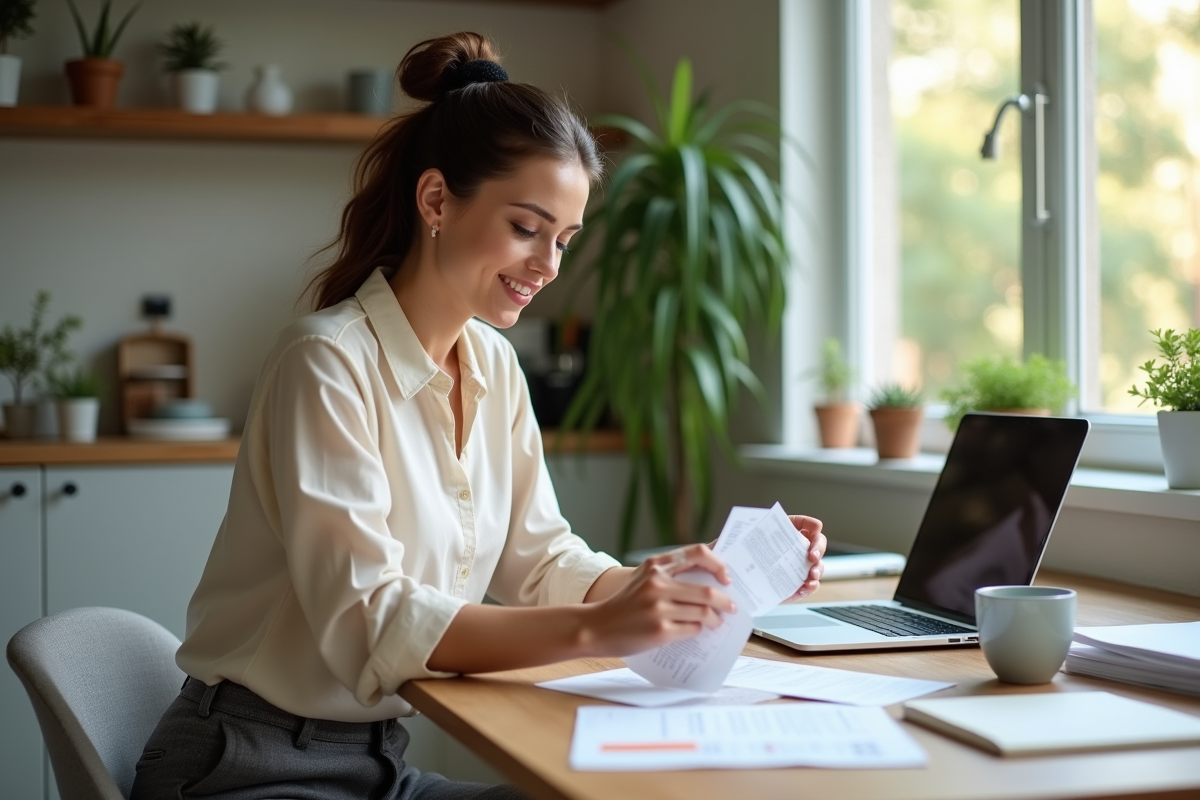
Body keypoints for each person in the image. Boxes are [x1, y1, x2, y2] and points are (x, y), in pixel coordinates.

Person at [130, 31, 827, 800]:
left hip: (377, 765)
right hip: (247, 766)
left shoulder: (493, 363)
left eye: (564, 240)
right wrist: (601, 628)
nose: (548, 265)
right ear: (436, 200)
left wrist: (691, 583)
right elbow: (370, 618)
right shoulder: (324, 362)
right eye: (526, 228)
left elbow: (542, 560)